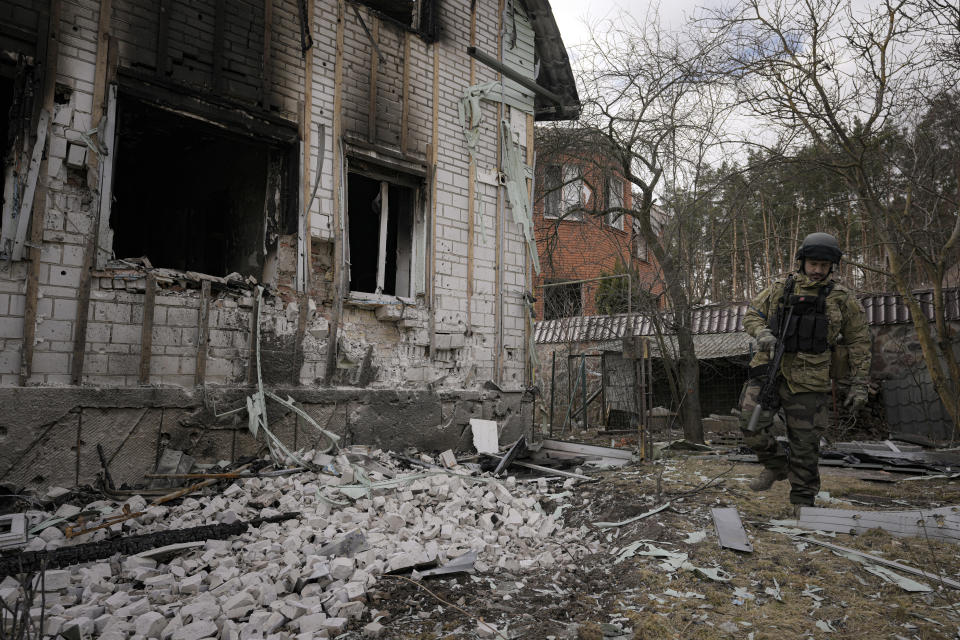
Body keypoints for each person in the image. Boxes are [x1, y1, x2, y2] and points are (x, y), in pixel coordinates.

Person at [739, 232, 871, 510]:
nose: (817, 271)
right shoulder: (779, 288)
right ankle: (776, 466)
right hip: (769, 369)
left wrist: (859, 384)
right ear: (802, 262)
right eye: (813, 264)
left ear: (831, 267)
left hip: (811, 379)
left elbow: (859, 341)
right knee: (751, 426)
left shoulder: (841, 298)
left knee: (805, 445)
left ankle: (802, 500)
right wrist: (762, 333)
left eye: (824, 266)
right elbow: (752, 314)